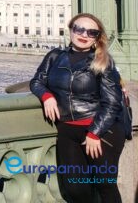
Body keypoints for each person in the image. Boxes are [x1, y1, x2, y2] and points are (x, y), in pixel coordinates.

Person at [30, 12, 126, 203]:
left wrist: (94, 133)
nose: (84, 34)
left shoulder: (103, 61)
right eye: (79, 29)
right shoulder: (55, 56)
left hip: (101, 131)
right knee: (74, 188)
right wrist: (47, 96)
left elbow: (112, 102)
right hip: (67, 130)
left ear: (97, 38)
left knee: (105, 185)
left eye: (91, 32)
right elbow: (36, 81)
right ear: (71, 30)